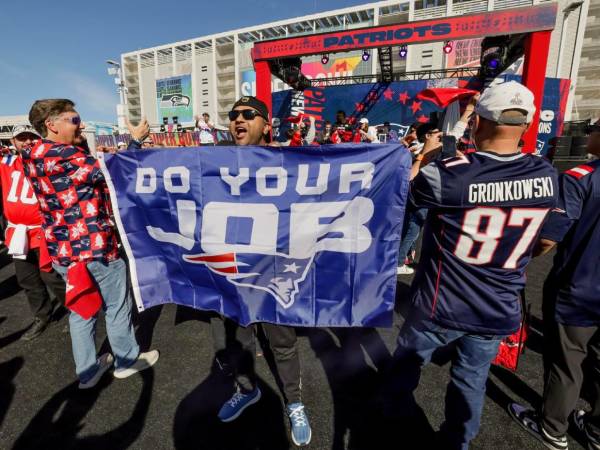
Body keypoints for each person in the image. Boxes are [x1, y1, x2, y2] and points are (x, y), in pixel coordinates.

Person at [386, 81, 557, 449]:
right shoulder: (546, 175)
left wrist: (424, 157)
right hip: (498, 306)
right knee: (470, 383)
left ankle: (395, 431)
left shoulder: (449, 172)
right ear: (526, 126)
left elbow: (403, 196)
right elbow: (544, 242)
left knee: (403, 370)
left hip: (440, 305)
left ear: (478, 122)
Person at [22, 99, 159, 389]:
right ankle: (125, 360)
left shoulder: (30, 153)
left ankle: (87, 371)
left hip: (61, 250)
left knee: (80, 309)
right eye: (74, 120)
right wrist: (134, 141)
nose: (81, 125)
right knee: (117, 305)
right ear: (52, 124)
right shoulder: (67, 156)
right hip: (95, 246)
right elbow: (117, 173)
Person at [215, 95, 311, 446]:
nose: (238, 119)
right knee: (237, 343)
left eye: (248, 115)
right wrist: (135, 144)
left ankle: (295, 402)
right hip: (233, 276)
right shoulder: (214, 161)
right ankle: (246, 390)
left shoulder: (288, 161)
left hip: (273, 273)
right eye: (233, 115)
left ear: (266, 124)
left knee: (282, 343)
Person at [509, 119, 600, 450]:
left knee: (566, 362)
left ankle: (552, 427)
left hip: (578, 290)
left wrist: (520, 260)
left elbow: (548, 239)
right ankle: (596, 429)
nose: (589, 135)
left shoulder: (580, 178)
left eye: (595, 130)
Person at [0, 124, 66, 340]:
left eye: (31, 137)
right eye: (22, 138)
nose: (27, 142)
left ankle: (77, 312)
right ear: (13, 143)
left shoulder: (48, 161)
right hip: (18, 233)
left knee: (53, 276)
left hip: (44, 231)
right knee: (27, 279)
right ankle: (42, 317)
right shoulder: (7, 163)